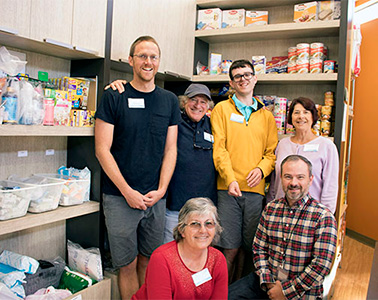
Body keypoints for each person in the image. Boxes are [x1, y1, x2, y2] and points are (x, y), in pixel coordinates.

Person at [95, 36, 181, 299]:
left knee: (150, 261)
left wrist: (162, 189)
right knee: (127, 265)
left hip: (155, 199)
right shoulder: (113, 95)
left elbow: (170, 149)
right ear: (131, 60)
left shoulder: (169, 101)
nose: (148, 61)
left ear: (159, 61)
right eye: (142, 56)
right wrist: (127, 192)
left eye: (153, 56)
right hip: (120, 198)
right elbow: (102, 149)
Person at [106, 82, 218, 244]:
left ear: (208, 106)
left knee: (199, 252)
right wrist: (121, 84)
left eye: (203, 102)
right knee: (170, 250)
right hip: (174, 205)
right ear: (184, 102)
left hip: (204, 207)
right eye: (193, 100)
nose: (198, 105)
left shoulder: (214, 124)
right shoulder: (173, 121)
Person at [228, 155, 337, 300]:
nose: (293, 183)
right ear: (280, 178)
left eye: (300, 177)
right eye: (288, 177)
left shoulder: (324, 217)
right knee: (225, 296)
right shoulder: (271, 208)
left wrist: (285, 292)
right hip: (265, 282)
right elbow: (259, 248)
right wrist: (268, 282)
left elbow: (321, 266)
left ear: (310, 180)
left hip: (303, 290)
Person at [210, 59, 278, 280]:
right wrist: (230, 179)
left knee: (251, 249)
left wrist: (261, 169)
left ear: (255, 78)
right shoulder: (221, 109)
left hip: (255, 191)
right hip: (228, 189)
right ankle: (224, 292)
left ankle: (243, 290)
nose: (243, 79)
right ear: (231, 82)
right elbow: (219, 149)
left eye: (247, 74)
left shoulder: (266, 116)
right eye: (238, 76)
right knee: (229, 248)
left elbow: (271, 153)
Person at [132, 197, 228, 299]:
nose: (203, 230)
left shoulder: (217, 259)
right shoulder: (161, 259)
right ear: (182, 230)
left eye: (208, 223)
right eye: (195, 224)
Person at [267, 97, 339, 213]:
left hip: (312, 213)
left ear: (313, 116)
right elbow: (275, 181)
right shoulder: (282, 144)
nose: (301, 116)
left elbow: (330, 186)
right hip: (282, 211)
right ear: (290, 117)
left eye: (306, 112)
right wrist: (271, 205)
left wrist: (326, 214)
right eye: (296, 112)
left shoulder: (327, 146)